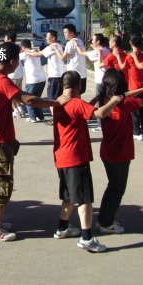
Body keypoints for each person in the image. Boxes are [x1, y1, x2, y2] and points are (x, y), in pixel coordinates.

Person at [0, 42, 65, 242]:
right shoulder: (1, 80)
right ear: (12, 61)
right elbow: (28, 100)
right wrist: (55, 103)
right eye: (17, 60)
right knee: (3, 183)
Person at [51, 71, 122, 253]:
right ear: (79, 86)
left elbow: (83, 111)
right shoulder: (76, 103)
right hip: (76, 157)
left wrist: (97, 97)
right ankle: (87, 238)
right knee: (84, 199)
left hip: (61, 157)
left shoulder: (58, 102)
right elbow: (99, 114)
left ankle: (62, 227)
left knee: (69, 196)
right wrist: (114, 101)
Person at [93, 69, 143, 234]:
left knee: (112, 187)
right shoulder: (126, 104)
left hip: (107, 151)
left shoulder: (105, 102)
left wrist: (141, 89)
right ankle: (106, 223)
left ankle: (104, 218)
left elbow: (123, 95)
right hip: (121, 153)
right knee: (117, 189)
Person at [76, 33, 111, 131]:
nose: (92, 41)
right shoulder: (106, 49)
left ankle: (100, 124)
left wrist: (76, 44)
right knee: (106, 101)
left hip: (100, 80)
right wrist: (87, 43)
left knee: (99, 102)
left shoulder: (97, 52)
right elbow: (94, 48)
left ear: (98, 41)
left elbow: (82, 53)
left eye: (93, 39)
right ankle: (106, 122)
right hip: (108, 79)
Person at [19, 39, 47, 123]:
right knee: (37, 99)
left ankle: (32, 117)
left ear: (23, 47)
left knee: (28, 99)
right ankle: (40, 117)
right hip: (42, 79)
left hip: (32, 81)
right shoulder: (35, 51)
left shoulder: (24, 54)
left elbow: (16, 57)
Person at [56, 24, 87, 94]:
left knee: (70, 95)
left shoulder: (70, 43)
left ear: (72, 33)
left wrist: (56, 49)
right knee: (78, 96)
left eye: (65, 32)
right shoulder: (79, 41)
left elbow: (62, 58)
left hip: (73, 75)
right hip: (82, 74)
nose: (64, 34)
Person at [3, 32, 27, 118]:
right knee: (17, 94)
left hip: (12, 75)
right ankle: (20, 109)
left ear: (9, 39)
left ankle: (16, 110)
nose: (4, 39)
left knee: (11, 94)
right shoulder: (18, 47)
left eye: (5, 38)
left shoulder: (8, 48)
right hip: (19, 74)